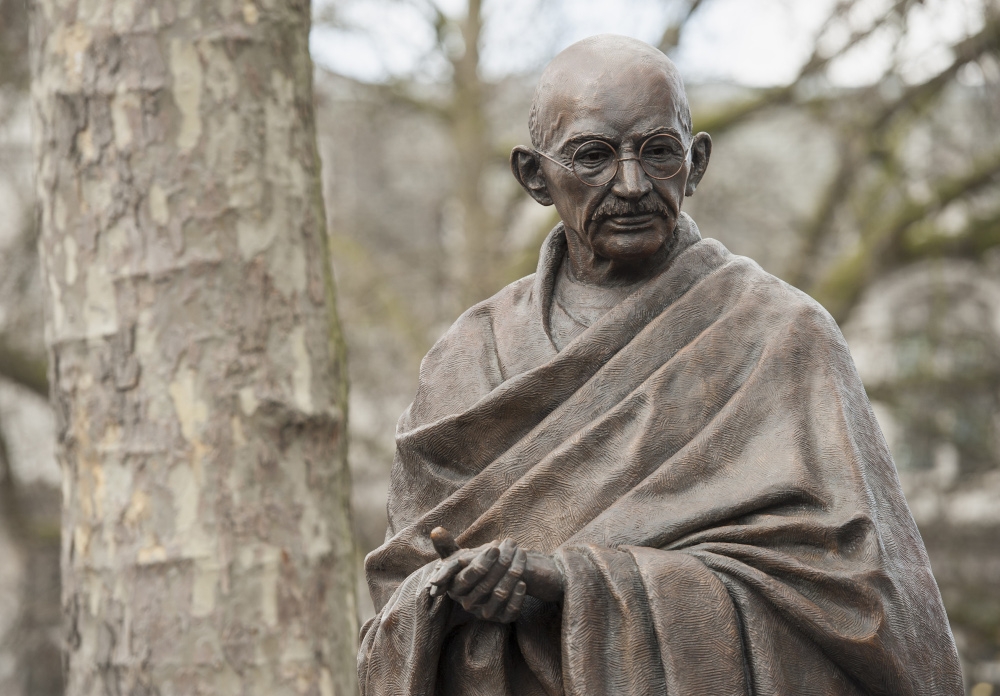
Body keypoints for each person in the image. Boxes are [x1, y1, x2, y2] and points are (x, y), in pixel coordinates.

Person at [358, 34, 963, 695]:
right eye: (592, 156)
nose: (631, 183)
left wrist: (569, 584)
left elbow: (868, 613)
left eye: (659, 152)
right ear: (535, 176)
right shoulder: (466, 359)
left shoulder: (783, 336)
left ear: (696, 162)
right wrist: (458, 590)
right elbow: (395, 597)